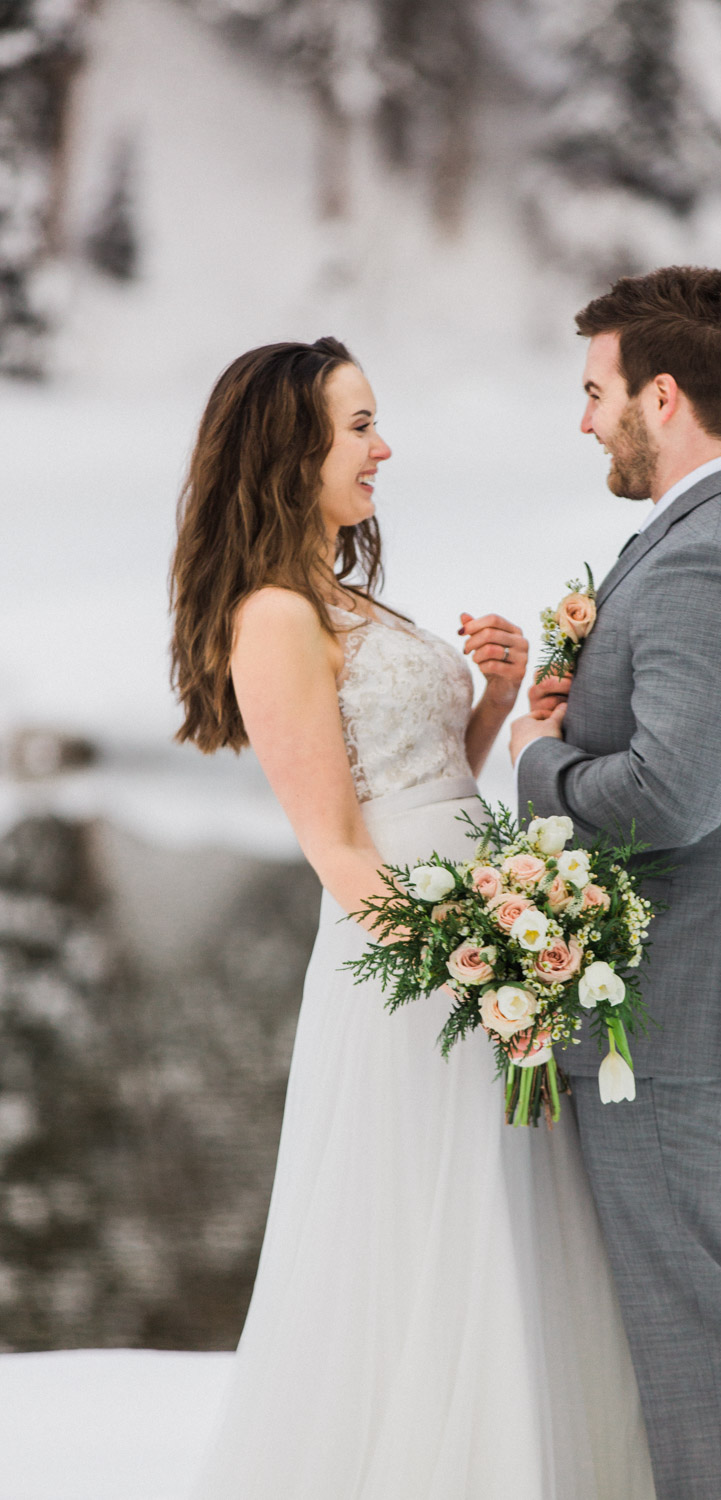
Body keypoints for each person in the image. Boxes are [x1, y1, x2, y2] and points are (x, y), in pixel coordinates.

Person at [170, 336, 656, 1499]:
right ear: (289, 447)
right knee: (421, 1241)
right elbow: (339, 842)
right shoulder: (275, 616)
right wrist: (465, 962)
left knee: (501, 1231)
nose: (382, 448)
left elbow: (426, 782)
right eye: (357, 428)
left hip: (473, 945)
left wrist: (493, 700)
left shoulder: (341, 595)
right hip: (411, 972)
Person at [511, 266, 721, 1500]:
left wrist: (541, 764)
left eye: (594, 392)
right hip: (690, 1009)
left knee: (700, 1345)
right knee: (700, 1330)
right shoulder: (715, 532)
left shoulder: (712, 557)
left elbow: (667, 797)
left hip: (678, 1016)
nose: (583, 418)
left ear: (661, 392)